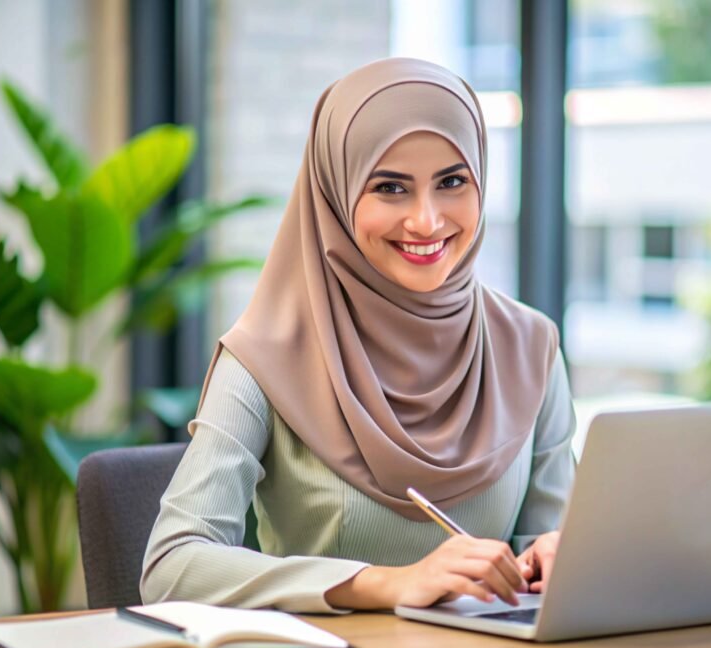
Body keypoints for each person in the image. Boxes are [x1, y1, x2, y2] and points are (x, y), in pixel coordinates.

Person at [140, 57, 577, 614]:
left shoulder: (529, 347)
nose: (426, 220)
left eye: (452, 182)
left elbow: (543, 546)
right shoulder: (266, 357)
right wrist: (385, 584)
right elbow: (171, 566)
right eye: (390, 187)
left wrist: (551, 556)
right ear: (336, 194)